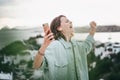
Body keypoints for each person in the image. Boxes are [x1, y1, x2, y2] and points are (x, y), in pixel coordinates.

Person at [33, 15, 96, 80]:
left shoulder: (77, 46)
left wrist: (93, 30)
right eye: (67, 21)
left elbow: (87, 44)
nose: (71, 22)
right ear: (59, 28)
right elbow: (36, 65)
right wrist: (44, 45)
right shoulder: (54, 46)